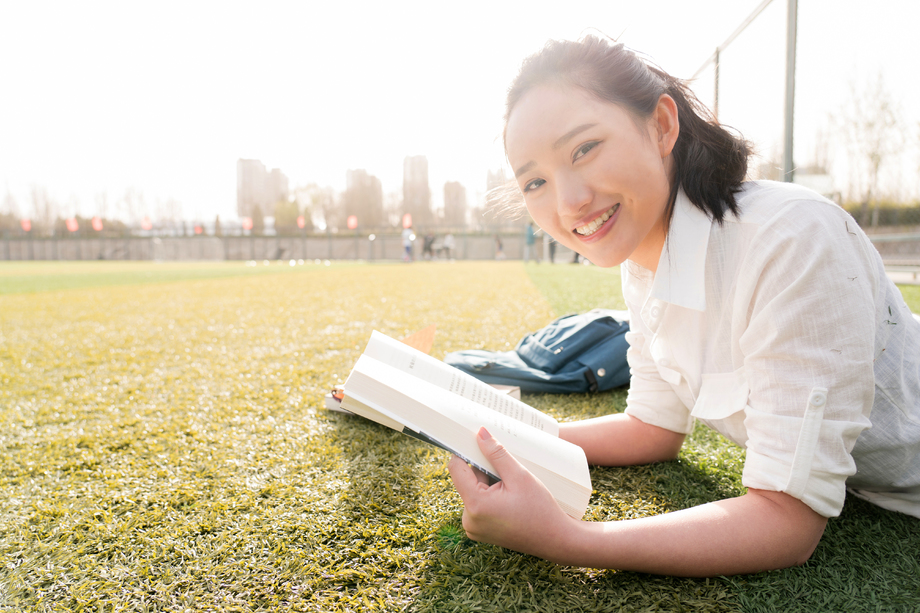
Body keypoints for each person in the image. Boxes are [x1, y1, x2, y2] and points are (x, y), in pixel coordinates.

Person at [447, 35, 920, 577]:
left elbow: (786, 522)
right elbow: (652, 427)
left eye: (583, 149)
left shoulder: (793, 239)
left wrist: (568, 538)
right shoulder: (644, 262)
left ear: (662, 126)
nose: (568, 201)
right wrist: (504, 436)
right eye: (535, 181)